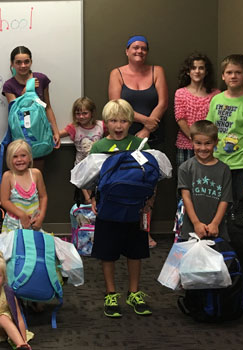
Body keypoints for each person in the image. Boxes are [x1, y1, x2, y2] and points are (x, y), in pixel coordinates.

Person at [88, 99, 152, 318]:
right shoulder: (98, 147)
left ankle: (134, 292)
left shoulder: (140, 144)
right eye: (113, 120)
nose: (118, 125)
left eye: (123, 121)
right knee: (108, 253)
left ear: (131, 122)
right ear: (106, 122)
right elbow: (90, 178)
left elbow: (152, 177)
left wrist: (150, 203)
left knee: (135, 252)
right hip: (108, 209)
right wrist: (92, 199)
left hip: (136, 209)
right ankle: (110, 293)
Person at [108, 35, 167, 248]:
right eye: (135, 47)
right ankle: (121, 231)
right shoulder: (116, 73)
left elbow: (163, 102)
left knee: (149, 188)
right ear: (127, 50)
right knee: (123, 184)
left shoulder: (157, 71)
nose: (139, 51)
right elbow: (117, 104)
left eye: (143, 48)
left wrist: (147, 130)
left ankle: (145, 232)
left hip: (152, 136)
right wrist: (145, 122)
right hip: (123, 135)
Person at [205, 54, 243, 202]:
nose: (233, 76)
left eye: (238, 72)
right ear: (223, 76)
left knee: (239, 214)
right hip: (218, 164)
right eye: (229, 72)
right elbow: (209, 132)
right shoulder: (216, 99)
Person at [2, 46, 61, 171]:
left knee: (36, 174)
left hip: (40, 135)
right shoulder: (9, 85)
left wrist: (55, 132)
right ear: (12, 64)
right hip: (20, 137)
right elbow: (14, 112)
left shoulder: (41, 79)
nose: (23, 65)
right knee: (20, 174)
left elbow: (47, 107)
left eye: (26, 61)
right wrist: (26, 92)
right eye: (18, 62)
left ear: (31, 61)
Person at [178, 120, 233, 241]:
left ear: (215, 143)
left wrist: (215, 223)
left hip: (217, 229)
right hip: (191, 228)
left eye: (208, 143)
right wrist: (196, 223)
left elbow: (225, 199)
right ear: (191, 141)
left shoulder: (224, 169)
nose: (203, 148)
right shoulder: (185, 168)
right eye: (198, 143)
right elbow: (186, 197)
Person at [175, 52, 220, 167]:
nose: (197, 71)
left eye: (201, 68)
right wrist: (195, 140)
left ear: (206, 71)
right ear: (188, 71)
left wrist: (204, 142)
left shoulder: (216, 94)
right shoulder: (181, 93)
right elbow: (180, 118)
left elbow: (216, 120)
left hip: (209, 146)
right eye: (193, 68)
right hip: (186, 144)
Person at [59, 97, 105, 204]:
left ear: (92, 113)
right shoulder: (74, 128)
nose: (81, 116)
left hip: (98, 166)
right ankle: (88, 200)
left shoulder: (101, 126)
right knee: (87, 194)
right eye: (78, 113)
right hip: (81, 166)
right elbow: (57, 135)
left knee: (97, 194)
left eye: (85, 113)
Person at [0, 140, 48, 233]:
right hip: (14, 225)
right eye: (15, 156)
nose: (19, 160)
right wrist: (22, 215)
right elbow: (4, 201)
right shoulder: (8, 176)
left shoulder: (36, 174)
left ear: (29, 157)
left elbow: (43, 196)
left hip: (34, 223)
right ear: (9, 159)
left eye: (23, 155)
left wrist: (41, 217)